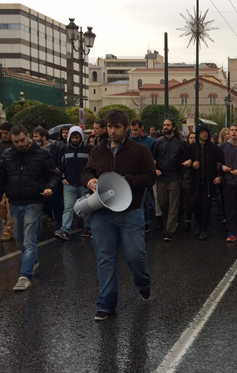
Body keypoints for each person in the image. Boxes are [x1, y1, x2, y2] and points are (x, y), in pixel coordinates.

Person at [81, 110, 157, 321]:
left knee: (135, 256)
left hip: (130, 211)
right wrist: (89, 181)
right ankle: (106, 304)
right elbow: (87, 171)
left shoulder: (140, 151)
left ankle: (142, 282)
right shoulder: (97, 150)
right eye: (110, 126)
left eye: (117, 127)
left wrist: (125, 181)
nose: (112, 130)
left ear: (125, 128)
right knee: (106, 259)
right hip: (102, 212)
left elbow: (150, 177)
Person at [0, 125, 60, 291]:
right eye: (16, 142)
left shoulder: (42, 154)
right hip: (14, 201)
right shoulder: (8, 155)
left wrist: (49, 187)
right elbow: (0, 179)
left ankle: (25, 275)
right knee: (19, 239)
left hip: (34, 201)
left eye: (22, 140)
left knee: (29, 239)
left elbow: (53, 174)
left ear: (28, 136)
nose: (20, 144)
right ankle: (33, 260)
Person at [182, 125, 224, 240]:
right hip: (195, 182)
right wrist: (190, 164)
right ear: (198, 134)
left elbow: (221, 161)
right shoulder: (192, 148)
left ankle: (204, 228)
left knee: (206, 206)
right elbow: (184, 161)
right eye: (202, 132)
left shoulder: (213, 148)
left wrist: (220, 176)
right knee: (195, 204)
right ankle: (200, 224)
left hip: (209, 182)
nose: (204, 134)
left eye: (206, 132)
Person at [55, 126, 92, 241]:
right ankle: (65, 230)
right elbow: (59, 166)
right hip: (69, 183)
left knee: (85, 207)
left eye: (77, 137)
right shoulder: (64, 149)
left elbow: (92, 165)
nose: (75, 140)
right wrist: (62, 178)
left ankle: (88, 228)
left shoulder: (88, 149)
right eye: (73, 137)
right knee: (68, 207)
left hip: (84, 184)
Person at [153, 119, 187, 241]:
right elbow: (153, 158)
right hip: (161, 177)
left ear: (173, 127)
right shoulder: (158, 142)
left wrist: (186, 164)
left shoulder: (181, 143)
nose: (165, 127)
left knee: (173, 204)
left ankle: (169, 231)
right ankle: (170, 222)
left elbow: (185, 158)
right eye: (164, 125)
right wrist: (155, 168)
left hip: (175, 177)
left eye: (168, 125)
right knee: (163, 203)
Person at [219, 123, 237, 242]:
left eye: (236, 130)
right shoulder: (223, 147)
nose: (233, 132)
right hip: (228, 181)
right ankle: (231, 232)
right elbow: (216, 161)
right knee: (229, 208)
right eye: (232, 130)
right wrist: (222, 167)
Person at [0, 122, 14, 242]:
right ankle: (13, 225)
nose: (4, 135)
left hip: (13, 181)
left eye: (7, 133)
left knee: (10, 208)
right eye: (3, 133)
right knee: (1, 209)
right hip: (1, 181)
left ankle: (8, 231)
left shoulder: (16, 145)